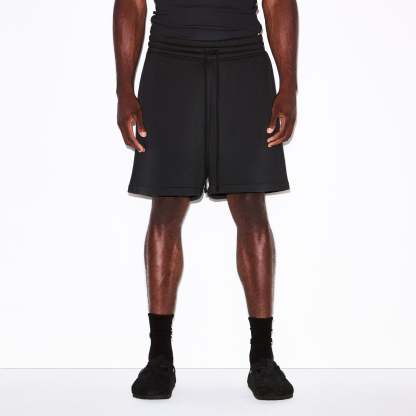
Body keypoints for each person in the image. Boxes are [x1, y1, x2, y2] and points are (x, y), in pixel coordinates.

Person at [113, 0, 298, 400]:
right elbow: (131, 3)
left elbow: (277, 2)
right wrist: (124, 90)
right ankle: (159, 357)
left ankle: (263, 358)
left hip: (243, 60)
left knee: (251, 206)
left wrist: (288, 86)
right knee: (166, 207)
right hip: (170, 61)